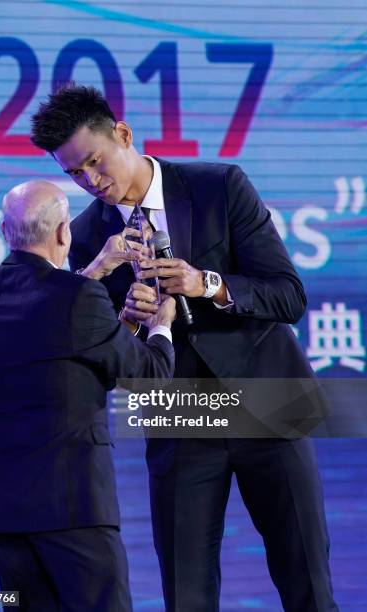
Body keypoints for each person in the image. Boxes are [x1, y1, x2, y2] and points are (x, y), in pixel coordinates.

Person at [30, 85, 338, 612]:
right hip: (179, 417)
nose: (91, 181)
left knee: (306, 579)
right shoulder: (86, 240)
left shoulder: (218, 185)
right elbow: (103, 360)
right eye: (74, 174)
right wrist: (129, 323)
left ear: (123, 134)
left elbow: (289, 296)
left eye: (95, 163)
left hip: (267, 402)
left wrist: (207, 284)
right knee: (186, 592)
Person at [0, 180, 176, 612]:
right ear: (63, 233)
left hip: (4, 510)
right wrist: (160, 325)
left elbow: (49, 324)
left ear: (4, 231)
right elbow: (153, 374)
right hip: (73, 506)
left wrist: (96, 275)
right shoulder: (78, 299)